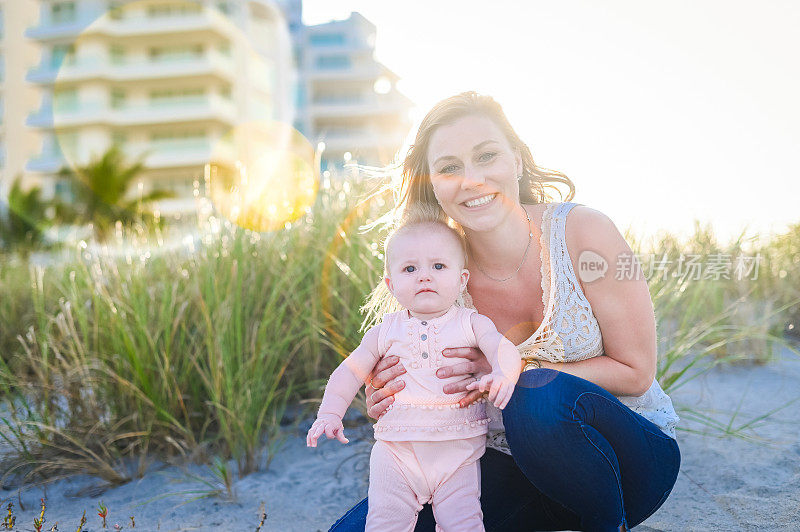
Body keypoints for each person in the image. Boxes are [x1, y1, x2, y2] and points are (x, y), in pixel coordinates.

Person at [329, 92, 681, 532]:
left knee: (535, 393)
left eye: (486, 156)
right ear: (432, 184)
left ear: (516, 159)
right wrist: (390, 393)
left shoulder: (583, 232)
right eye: (450, 167)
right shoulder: (433, 275)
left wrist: (513, 368)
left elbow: (635, 371)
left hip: (625, 464)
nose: (471, 179)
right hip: (499, 469)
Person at [308, 206, 522, 531]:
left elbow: (499, 346)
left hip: (458, 449)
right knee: (384, 521)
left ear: (461, 279)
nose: (424, 275)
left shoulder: (471, 323)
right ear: (391, 284)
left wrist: (504, 372)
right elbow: (349, 371)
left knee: (463, 523)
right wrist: (330, 413)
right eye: (410, 268)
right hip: (397, 451)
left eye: (438, 266)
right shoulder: (384, 332)